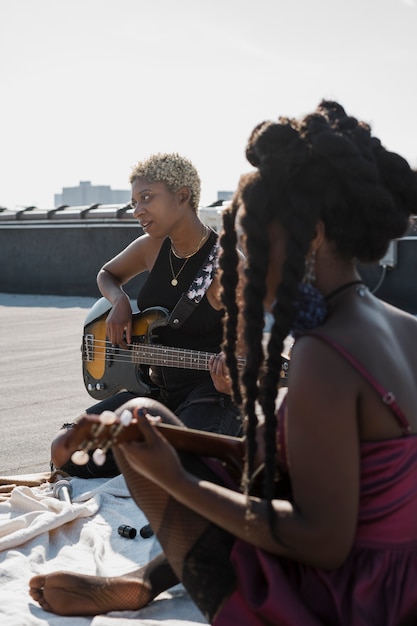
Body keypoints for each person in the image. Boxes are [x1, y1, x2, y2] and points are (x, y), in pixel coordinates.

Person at [30, 101, 417, 625]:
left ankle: (143, 581)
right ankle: (141, 579)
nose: (240, 259)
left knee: (167, 464)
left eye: (251, 239)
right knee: (148, 423)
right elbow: (313, 469)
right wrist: (172, 440)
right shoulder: (400, 325)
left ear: (315, 235)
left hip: (347, 596)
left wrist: (180, 479)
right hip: (394, 572)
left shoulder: (323, 355)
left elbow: (320, 541)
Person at [51, 152, 242, 477]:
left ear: (182, 196)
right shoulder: (151, 247)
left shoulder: (227, 264)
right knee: (67, 448)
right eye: (134, 201)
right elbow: (107, 274)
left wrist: (232, 366)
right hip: (154, 392)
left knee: (182, 466)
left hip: (209, 395)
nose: (137, 210)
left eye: (147, 198)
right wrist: (120, 300)